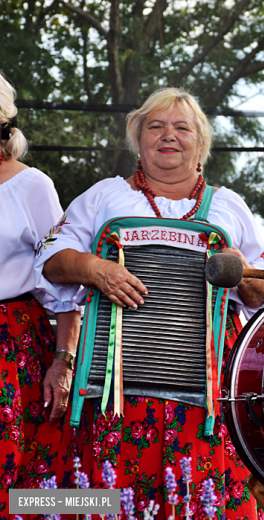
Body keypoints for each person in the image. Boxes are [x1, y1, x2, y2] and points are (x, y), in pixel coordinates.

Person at [35, 87, 264, 517]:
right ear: (137, 138)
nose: (169, 136)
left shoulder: (228, 206)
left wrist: (244, 268)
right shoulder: (104, 196)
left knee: (203, 497)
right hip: (114, 388)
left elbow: (263, 294)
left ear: (200, 143)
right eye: (156, 126)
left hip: (205, 387)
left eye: (182, 127)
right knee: (111, 495)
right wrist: (96, 270)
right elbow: (51, 262)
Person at [0, 73, 81, 515]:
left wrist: (63, 363)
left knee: (26, 482)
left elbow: (66, 287)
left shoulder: (32, 186)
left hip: (12, 350)